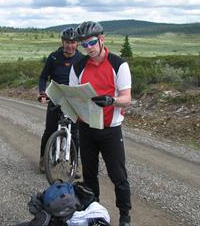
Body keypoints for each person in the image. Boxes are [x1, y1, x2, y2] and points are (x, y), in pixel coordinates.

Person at [69, 21, 132, 226]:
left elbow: (127, 99)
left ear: (102, 39)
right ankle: (93, 212)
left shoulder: (118, 64)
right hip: (87, 128)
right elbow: (72, 94)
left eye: (92, 43)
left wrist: (111, 101)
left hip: (110, 129)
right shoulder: (78, 66)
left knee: (118, 175)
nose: (88, 48)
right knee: (89, 174)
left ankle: (125, 216)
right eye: (84, 45)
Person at [38, 27, 83, 173]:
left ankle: (75, 165)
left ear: (77, 43)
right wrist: (42, 92)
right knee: (49, 130)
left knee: (75, 133)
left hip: (73, 100)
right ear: (62, 42)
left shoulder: (82, 59)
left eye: (73, 42)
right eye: (67, 42)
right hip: (56, 97)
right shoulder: (54, 57)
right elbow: (43, 77)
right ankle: (43, 159)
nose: (70, 46)